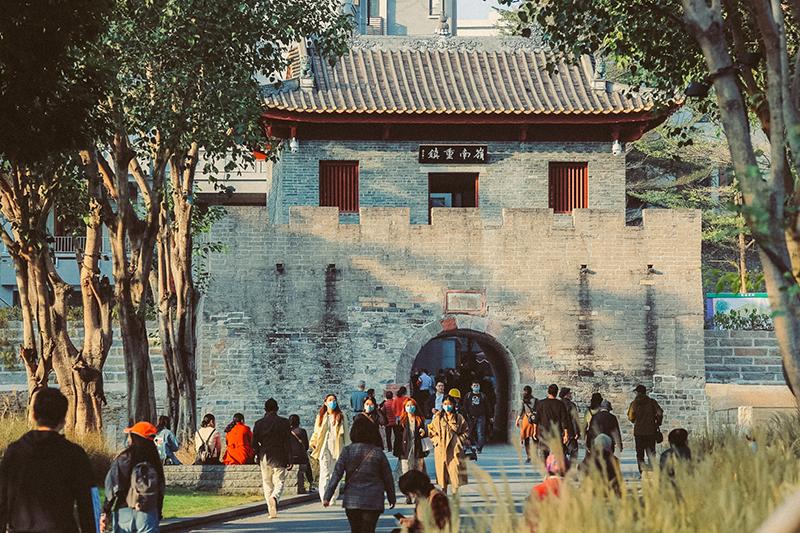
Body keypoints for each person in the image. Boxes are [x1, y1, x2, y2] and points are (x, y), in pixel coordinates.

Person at [0, 387, 97, 533]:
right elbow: (88, 505)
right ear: (63, 420)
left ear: (33, 415)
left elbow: (2, 501)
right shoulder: (74, 455)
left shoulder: (14, 453)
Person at [323, 417, 396, 533]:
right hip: (373, 500)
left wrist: (328, 496)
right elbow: (387, 478)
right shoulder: (377, 452)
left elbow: (337, 474)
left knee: (355, 529)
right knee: (369, 530)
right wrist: (392, 497)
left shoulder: (347, 451)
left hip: (352, 500)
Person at [101, 421, 166, 533]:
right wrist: (158, 512)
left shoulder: (124, 458)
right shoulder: (155, 462)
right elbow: (160, 490)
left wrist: (105, 511)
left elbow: (111, 488)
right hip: (148, 512)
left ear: (135, 438)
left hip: (123, 512)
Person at [253, 399, 293, 519]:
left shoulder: (259, 423)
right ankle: (275, 497)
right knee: (279, 481)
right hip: (280, 454)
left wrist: (258, 453)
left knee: (267, 482)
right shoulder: (284, 422)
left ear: (265, 409)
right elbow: (288, 442)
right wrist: (290, 458)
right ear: (277, 409)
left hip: (264, 454)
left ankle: (270, 509)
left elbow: (254, 442)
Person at [310, 393, 350, 504]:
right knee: (324, 472)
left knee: (335, 473)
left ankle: (333, 497)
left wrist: (348, 447)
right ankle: (324, 497)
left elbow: (346, 433)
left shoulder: (341, 416)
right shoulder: (321, 416)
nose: (332, 402)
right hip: (324, 446)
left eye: (334, 400)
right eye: (330, 400)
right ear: (325, 402)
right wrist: (313, 442)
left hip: (337, 446)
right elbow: (316, 431)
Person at [427, 395, 469, 494]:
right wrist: (436, 441)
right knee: (442, 472)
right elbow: (431, 431)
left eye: (450, 404)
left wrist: (459, 440)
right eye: (445, 404)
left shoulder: (458, 417)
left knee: (455, 471)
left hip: (454, 449)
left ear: (453, 405)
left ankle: (455, 493)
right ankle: (443, 492)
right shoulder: (438, 417)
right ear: (442, 405)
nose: (447, 406)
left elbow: (466, 431)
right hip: (441, 449)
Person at [395, 398, 427, 503]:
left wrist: (423, 433)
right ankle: (408, 495)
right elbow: (398, 437)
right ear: (404, 408)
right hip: (405, 450)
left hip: (417, 449)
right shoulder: (401, 420)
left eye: (412, 405)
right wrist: (398, 451)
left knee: (418, 473)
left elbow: (425, 434)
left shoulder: (420, 420)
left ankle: (418, 495)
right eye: (408, 406)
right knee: (406, 474)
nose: (410, 408)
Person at [627, 384, 664, 473]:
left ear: (637, 392)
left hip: (639, 432)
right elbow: (659, 413)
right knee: (651, 453)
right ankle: (652, 472)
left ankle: (642, 472)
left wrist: (635, 421)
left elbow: (631, 417)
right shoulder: (652, 402)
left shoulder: (634, 403)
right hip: (651, 431)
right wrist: (658, 422)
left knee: (640, 454)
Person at [534, 384, 570, 464]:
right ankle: (556, 469)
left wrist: (534, 432)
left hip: (544, 433)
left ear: (548, 392)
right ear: (556, 393)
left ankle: (545, 469)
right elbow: (564, 420)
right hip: (556, 433)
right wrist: (566, 434)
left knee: (544, 454)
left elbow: (536, 419)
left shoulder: (541, 403)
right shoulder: (560, 404)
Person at [288, 414, 314, 492]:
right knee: (307, 464)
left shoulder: (286, 432)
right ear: (298, 422)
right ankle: (310, 483)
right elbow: (306, 446)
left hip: (289, 458)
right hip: (301, 458)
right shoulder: (302, 431)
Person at [464, 381, 490, 453]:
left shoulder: (482, 395)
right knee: (469, 432)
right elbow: (465, 405)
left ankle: (479, 447)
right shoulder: (468, 395)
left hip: (481, 416)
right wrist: (466, 414)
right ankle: (467, 446)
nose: (476, 387)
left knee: (480, 432)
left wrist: (490, 416)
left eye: (477, 385)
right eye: (474, 385)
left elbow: (487, 406)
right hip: (470, 417)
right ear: (471, 387)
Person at [515, 385, 538, 464]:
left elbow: (521, 411)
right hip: (534, 420)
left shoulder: (524, 400)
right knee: (535, 438)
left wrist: (517, 420)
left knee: (526, 439)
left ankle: (529, 457)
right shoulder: (536, 400)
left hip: (526, 420)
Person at [559, 387, 581, 460]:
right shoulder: (571, 405)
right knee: (573, 451)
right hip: (570, 431)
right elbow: (574, 419)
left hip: (559, 431)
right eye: (570, 393)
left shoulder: (557, 404)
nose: (571, 395)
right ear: (566, 394)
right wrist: (577, 432)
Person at [391, 386, 408, 459]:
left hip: (397, 418)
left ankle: (397, 451)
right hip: (405, 418)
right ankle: (405, 450)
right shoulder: (406, 399)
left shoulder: (395, 399)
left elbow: (393, 409)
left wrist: (396, 415)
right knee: (405, 436)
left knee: (397, 436)